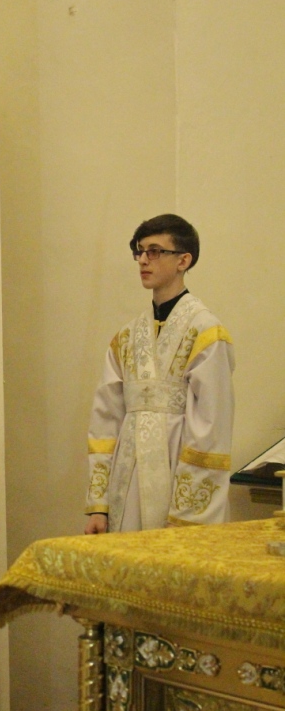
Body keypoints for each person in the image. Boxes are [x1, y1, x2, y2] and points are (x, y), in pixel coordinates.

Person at [85, 214, 234, 534]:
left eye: (154, 251)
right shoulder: (126, 338)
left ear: (183, 260)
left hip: (175, 473)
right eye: (139, 251)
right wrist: (99, 505)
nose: (143, 260)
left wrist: (188, 515)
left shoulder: (206, 332)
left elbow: (211, 427)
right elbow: (106, 418)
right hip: (126, 480)